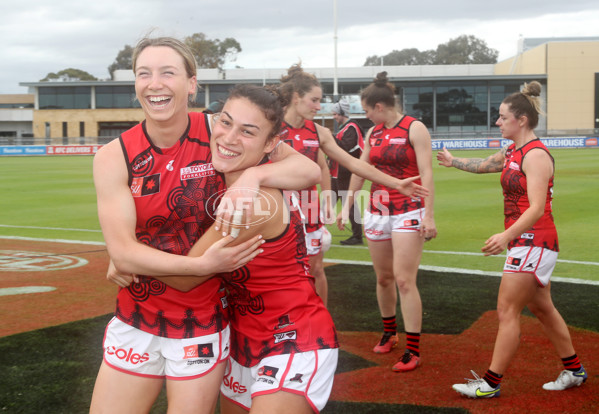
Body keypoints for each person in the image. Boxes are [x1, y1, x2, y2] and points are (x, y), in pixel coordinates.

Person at [90, 36, 321, 414]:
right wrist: (198, 266)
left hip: (203, 322)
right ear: (135, 84)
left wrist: (253, 178)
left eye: (168, 72)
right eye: (144, 73)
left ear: (192, 83)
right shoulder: (114, 156)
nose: (155, 83)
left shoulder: (223, 129)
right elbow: (122, 252)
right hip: (136, 315)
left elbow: (307, 168)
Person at [438, 81, 587, 398]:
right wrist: (453, 162)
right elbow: (484, 166)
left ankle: (490, 384)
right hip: (529, 241)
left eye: (502, 117)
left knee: (506, 311)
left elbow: (535, 208)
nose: (497, 122)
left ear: (521, 120)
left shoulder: (535, 156)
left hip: (534, 240)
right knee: (543, 309)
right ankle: (574, 370)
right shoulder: (513, 151)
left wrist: (506, 235)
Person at [278, 63, 430, 307]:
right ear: (296, 98)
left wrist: (396, 183)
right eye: (314, 100)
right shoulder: (270, 128)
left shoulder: (319, 133)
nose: (319, 107)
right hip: (274, 210)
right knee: (280, 274)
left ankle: (321, 324)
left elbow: (355, 164)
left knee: (316, 270)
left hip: (307, 208)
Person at [337, 71, 437, 373]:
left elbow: (427, 173)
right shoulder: (374, 133)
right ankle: (389, 332)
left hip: (409, 210)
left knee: (405, 280)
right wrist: (348, 207)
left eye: (366, 110)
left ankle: (413, 349)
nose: (365, 115)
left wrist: (429, 213)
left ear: (379, 106)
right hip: (378, 211)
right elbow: (359, 169)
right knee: (383, 278)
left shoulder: (415, 128)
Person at [330, 98, 367, 246]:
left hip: (344, 172)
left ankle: (357, 236)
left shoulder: (351, 127)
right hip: (337, 171)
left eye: (335, 114)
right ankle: (314, 229)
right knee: (329, 200)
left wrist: (330, 138)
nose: (334, 117)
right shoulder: (346, 127)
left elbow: (345, 147)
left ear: (341, 113)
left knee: (349, 203)